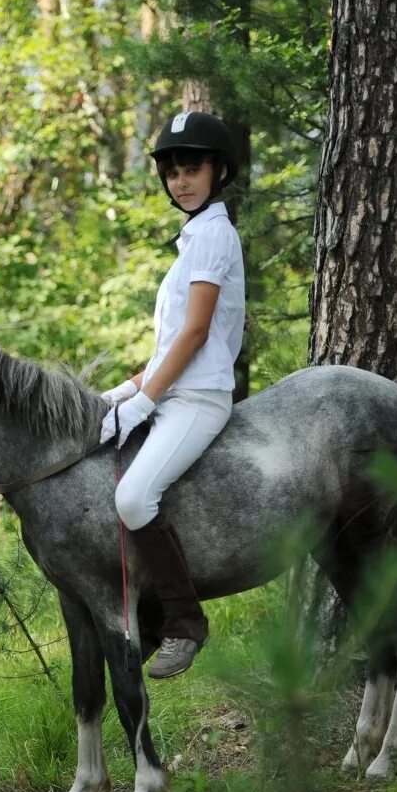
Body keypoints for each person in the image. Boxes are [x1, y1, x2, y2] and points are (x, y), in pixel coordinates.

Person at [99, 112, 245, 680]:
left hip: (198, 398)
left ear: (219, 171)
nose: (181, 182)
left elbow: (196, 334)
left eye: (193, 169)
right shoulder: (192, 239)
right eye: (173, 173)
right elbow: (165, 350)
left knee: (133, 499)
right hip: (170, 391)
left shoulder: (213, 234)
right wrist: (119, 393)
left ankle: (185, 623)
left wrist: (142, 403)